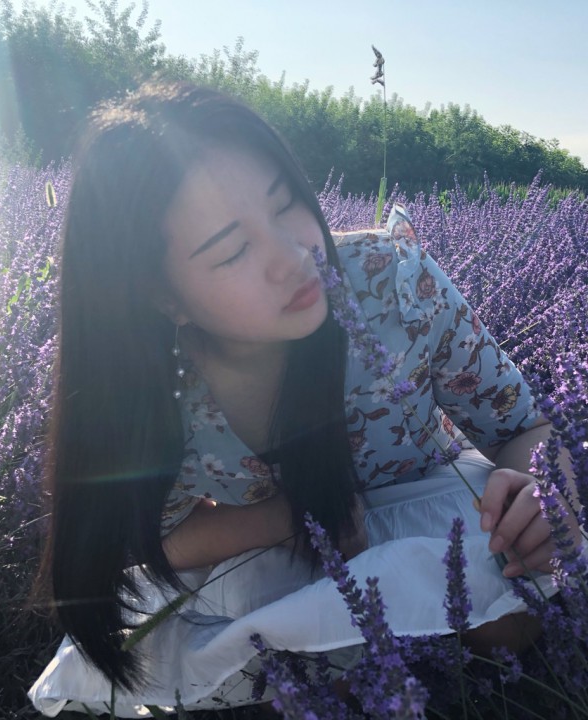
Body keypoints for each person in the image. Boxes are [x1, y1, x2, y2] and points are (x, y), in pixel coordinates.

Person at [29, 82, 581, 717]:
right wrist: (296, 518)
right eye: (233, 250)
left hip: (433, 501)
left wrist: (544, 491)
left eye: (286, 203)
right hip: (290, 543)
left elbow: (525, 425)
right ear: (164, 298)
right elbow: (155, 539)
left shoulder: (390, 283)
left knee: (502, 613)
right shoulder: (153, 383)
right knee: (269, 649)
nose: (293, 258)